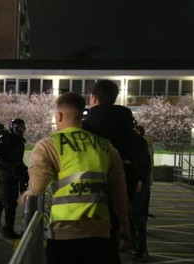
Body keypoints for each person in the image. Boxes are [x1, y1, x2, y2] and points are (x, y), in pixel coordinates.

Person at [21, 92, 131, 264]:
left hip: (64, 234)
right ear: (81, 116)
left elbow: (38, 187)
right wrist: (125, 225)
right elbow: (119, 190)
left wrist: (28, 192)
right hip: (101, 234)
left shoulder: (48, 145)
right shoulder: (105, 146)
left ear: (58, 115)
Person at [83, 80, 150, 262]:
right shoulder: (130, 132)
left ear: (94, 98)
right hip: (122, 196)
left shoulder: (85, 129)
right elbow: (141, 162)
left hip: (86, 201)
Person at [0, 119, 26, 240]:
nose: (21, 130)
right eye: (19, 127)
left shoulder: (20, 142)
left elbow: (19, 160)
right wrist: (7, 165)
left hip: (14, 174)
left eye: (23, 128)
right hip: (4, 174)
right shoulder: (5, 138)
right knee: (0, 202)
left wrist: (23, 170)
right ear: (13, 127)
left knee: (11, 204)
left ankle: (9, 230)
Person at [134, 125, 154, 222]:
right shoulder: (147, 144)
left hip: (140, 179)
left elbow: (143, 163)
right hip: (145, 178)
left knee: (138, 206)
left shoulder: (140, 143)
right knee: (142, 205)